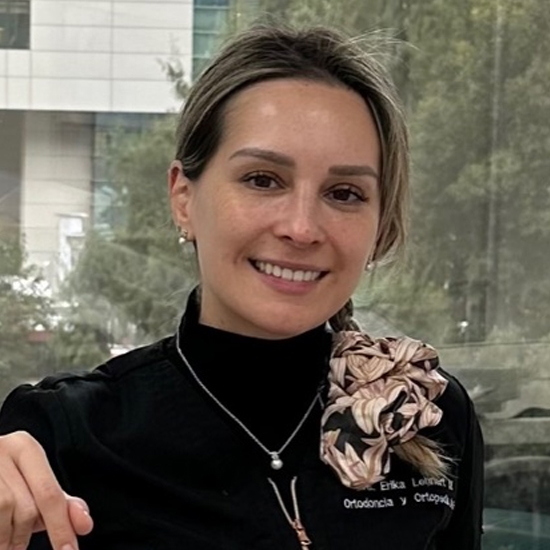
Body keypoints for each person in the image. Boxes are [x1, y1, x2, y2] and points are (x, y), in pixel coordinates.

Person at [0, 24, 483, 550]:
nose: (301, 228)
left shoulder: (429, 412)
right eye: (262, 180)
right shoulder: (61, 437)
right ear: (183, 198)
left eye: (344, 193)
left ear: (379, 223)